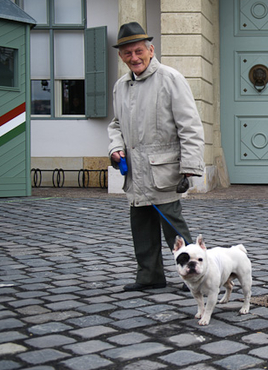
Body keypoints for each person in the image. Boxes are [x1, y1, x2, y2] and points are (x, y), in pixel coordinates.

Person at [108, 22, 205, 292]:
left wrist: (189, 166)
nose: (134, 58)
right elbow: (116, 124)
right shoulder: (121, 86)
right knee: (141, 228)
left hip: (164, 171)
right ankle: (149, 276)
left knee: (173, 228)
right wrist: (115, 147)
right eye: (127, 54)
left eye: (139, 51)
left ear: (151, 50)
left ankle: (195, 277)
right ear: (121, 56)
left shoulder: (171, 78)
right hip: (135, 173)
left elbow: (190, 125)